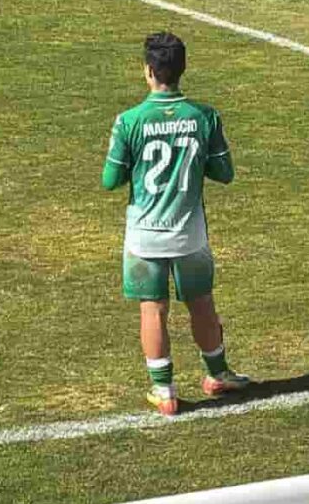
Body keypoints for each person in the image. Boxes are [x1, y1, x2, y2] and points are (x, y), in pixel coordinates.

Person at [102, 31, 250, 416]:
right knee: (201, 303)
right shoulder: (205, 116)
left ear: (149, 71)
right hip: (190, 234)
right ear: (182, 70)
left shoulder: (128, 121)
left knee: (153, 309)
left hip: (145, 236)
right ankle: (217, 373)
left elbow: (110, 180)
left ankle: (163, 390)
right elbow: (225, 172)